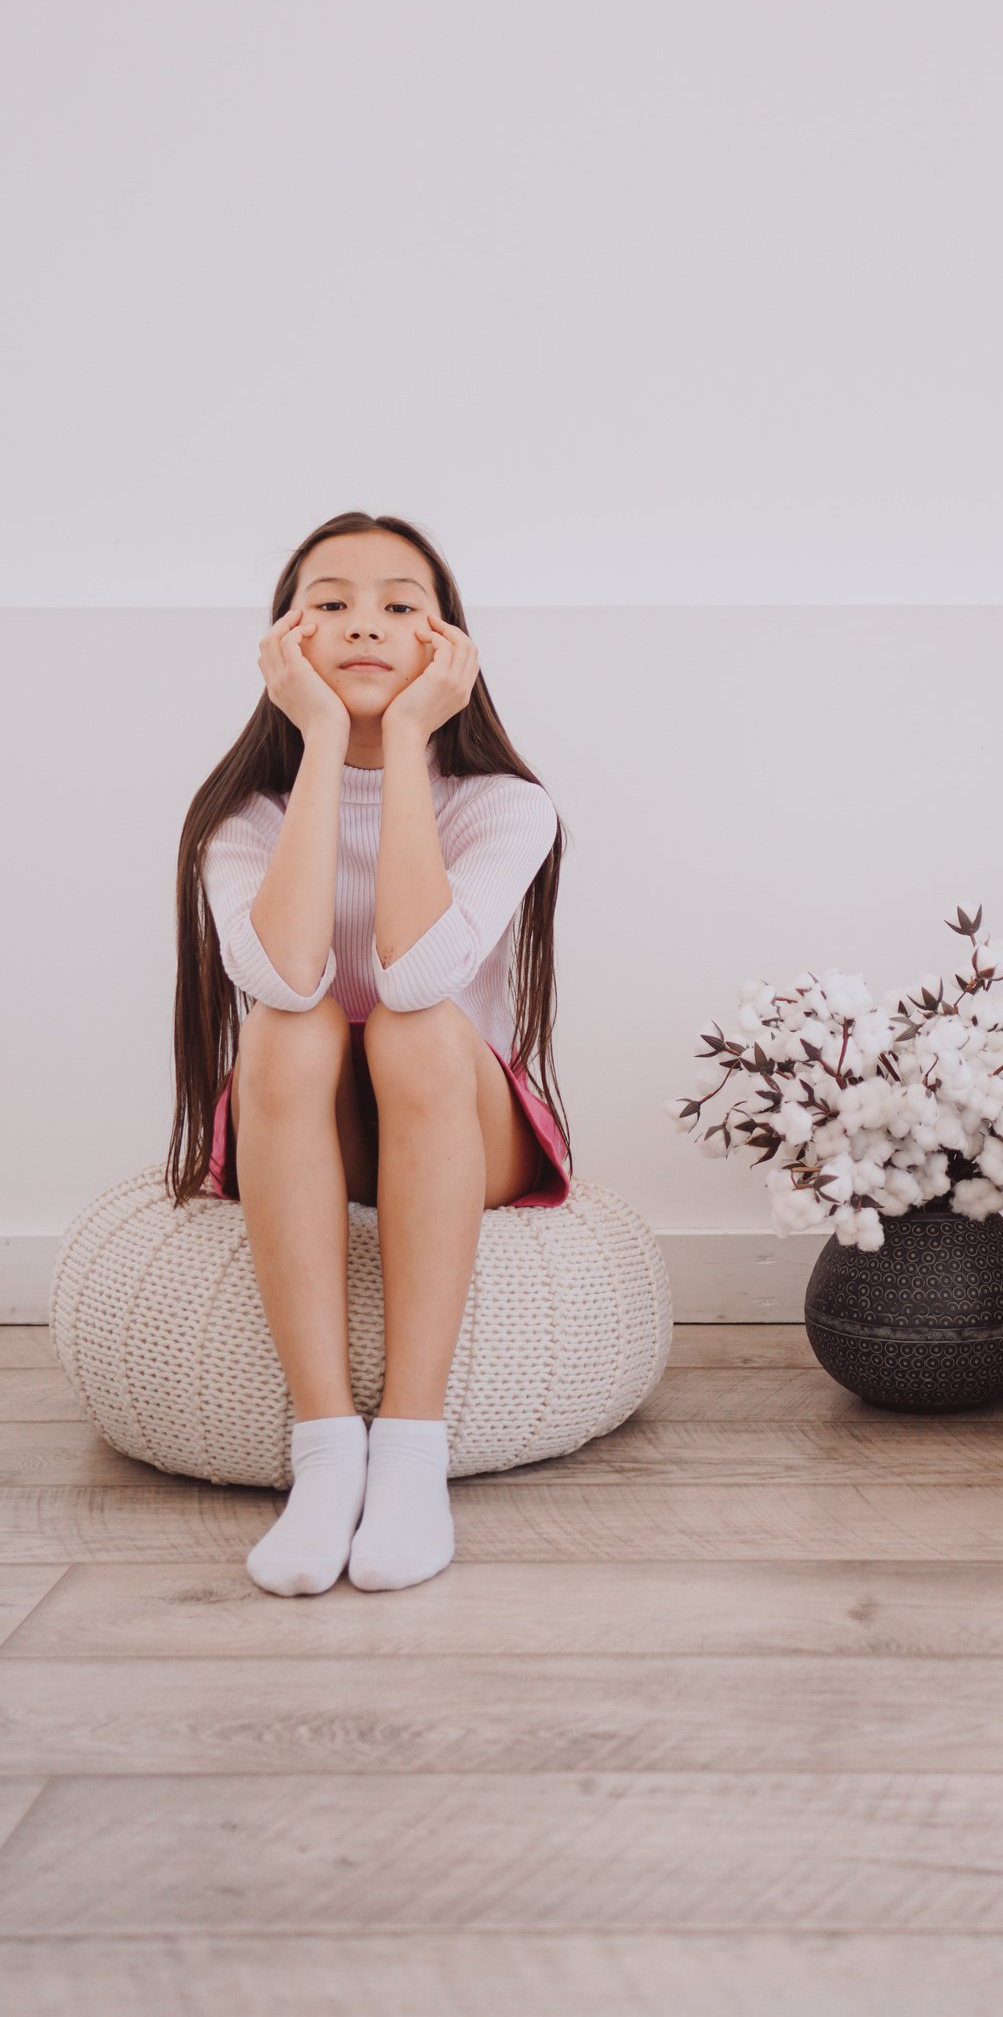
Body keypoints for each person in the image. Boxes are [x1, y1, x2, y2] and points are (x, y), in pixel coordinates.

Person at [167, 512, 570, 1595]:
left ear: (449, 646)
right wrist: (318, 745)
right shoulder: (239, 819)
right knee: (290, 1026)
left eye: (401, 604)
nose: (364, 624)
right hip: (310, 1116)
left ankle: (410, 1451)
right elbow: (290, 976)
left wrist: (398, 742)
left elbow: (415, 974)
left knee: (410, 1020)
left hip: (457, 1113)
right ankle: (325, 1448)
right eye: (329, 602)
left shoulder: (504, 806)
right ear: (283, 641)